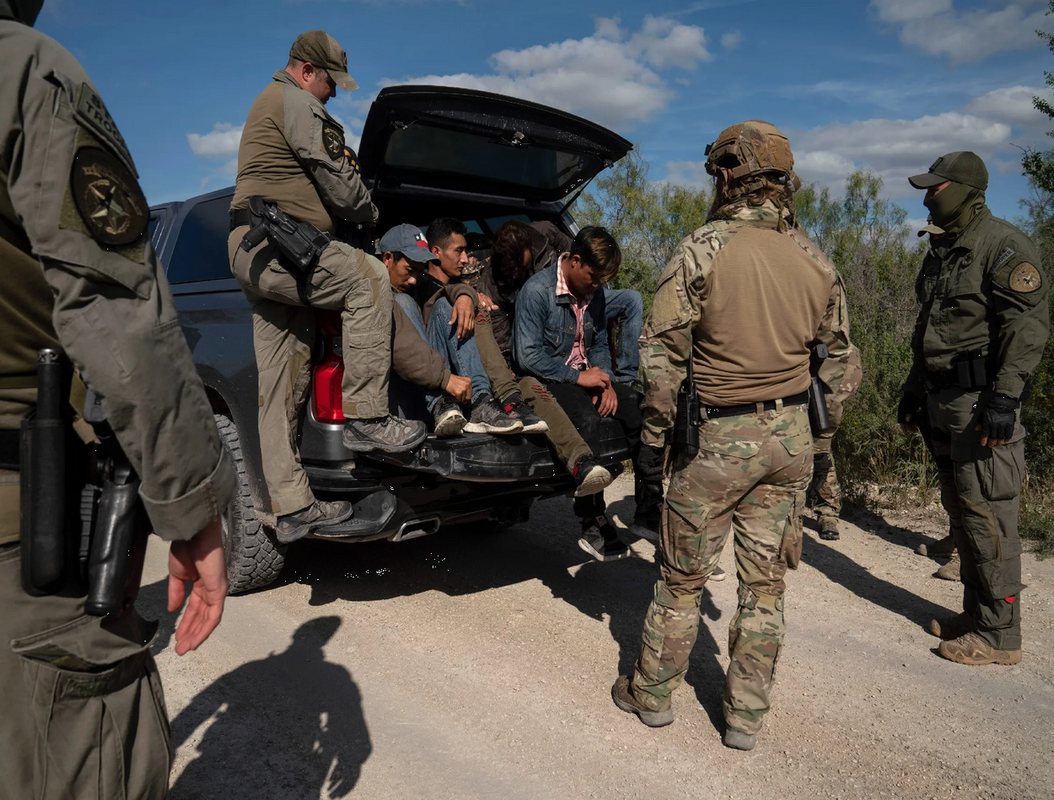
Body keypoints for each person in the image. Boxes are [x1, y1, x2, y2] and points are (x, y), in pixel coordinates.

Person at [0, 2, 237, 796]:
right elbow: (119, 312)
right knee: (85, 747)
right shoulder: (24, 68)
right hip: (21, 533)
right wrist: (195, 506)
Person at [610, 121, 853, 751]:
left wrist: (655, 442)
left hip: (719, 441)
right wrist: (818, 438)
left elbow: (661, 363)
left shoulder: (702, 249)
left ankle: (653, 694)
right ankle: (745, 717)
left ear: (726, 175)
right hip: (791, 440)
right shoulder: (814, 258)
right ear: (783, 180)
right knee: (766, 585)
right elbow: (843, 364)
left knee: (682, 577)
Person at [228, 31, 426, 543]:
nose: (334, 94)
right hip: (281, 242)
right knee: (370, 276)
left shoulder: (270, 101)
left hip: (257, 250)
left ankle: (292, 507)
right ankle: (367, 416)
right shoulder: (294, 101)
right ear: (307, 70)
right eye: (331, 83)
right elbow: (338, 180)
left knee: (279, 383)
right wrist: (372, 211)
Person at [900, 151, 1049, 665]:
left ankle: (1001, 636)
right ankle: (978, 614)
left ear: (965, 189)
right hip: (942, 400)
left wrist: (1006, 397)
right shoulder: (944, 251)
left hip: (981, 403)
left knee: (989, 515)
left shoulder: (1003, 245)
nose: (926, 197)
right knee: (963, 513)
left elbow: (1026, 328)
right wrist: (913, 388)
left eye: (935, 189)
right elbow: (931, 331)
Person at [514, 227, 664, 562]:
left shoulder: (594, 293)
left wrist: (606, 381)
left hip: (587, 376)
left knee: (645, 415)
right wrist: (580, 378)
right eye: (594, 277)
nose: (597, 286)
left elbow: (596, 345)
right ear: (575, 260)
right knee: (588, 421)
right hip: (551, 379)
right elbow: (528, 357)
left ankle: (650, 511)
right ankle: (592, 520)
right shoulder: (536, 291)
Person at [491, 219, 644, 384]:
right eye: (594, 277)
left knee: (632, 299)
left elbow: (569, 243)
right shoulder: (512, 286)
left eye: (524, 264)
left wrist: (606, 380)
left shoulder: (545, 231)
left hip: (574, 287)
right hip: (551, 305)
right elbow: (519, 348)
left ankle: (626, 382)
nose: (521, 271)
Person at [378, 223, 474, 435]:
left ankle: (480, 403)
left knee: (444, 306)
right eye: (409, 270)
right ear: (387, 259)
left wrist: (465, 295)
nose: (413, 280)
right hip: (399, 403)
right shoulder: (377, 295)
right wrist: (446, 380)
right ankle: (439, 403)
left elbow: (442, 292)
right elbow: (406, 352)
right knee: (402, 302)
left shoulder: (414, 285)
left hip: (436, 394)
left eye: (419, 272)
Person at [806, 344, 863, 540]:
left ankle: (827, 510)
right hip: (797, 363)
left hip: (832, 366)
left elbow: (833, 338)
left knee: (820, 439)